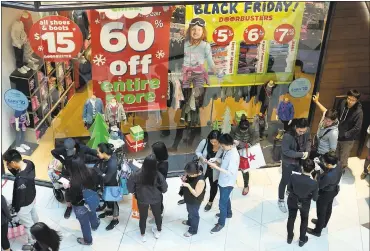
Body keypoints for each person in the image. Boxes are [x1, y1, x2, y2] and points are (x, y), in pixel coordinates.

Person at [51, 138, 99, 219]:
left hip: (80, 171)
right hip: (68, 171)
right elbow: (53, 152)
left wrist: (104, 156)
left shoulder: (83, 148)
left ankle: (85, 202)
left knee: (84, 187)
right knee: (68, 190)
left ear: (75, 147)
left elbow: (93, 152)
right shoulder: (63, 149)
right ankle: (69, 207)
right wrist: (62, 161)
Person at [127, 154, 168, 242]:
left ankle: (143, 234)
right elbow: (165, 189)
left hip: (142, 199)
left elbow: (130, 188)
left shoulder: (136, 174)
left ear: (144, 163)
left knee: (143, 217)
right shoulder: (159, 175)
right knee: (157, 215)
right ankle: (158, 231)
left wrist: (135, 192)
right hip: (156, 199)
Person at [3, 149, 38, 249]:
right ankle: (38, 228)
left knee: (28, 225)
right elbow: (20, 174)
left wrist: (15, 208)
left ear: (13, 162)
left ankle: (33, 243)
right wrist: (11, 168)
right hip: (32, 196)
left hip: (24, 205)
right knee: (33, 215)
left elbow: (19, 198)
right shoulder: (29, 163)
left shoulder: (20, 180)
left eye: (8, 163)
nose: (7, 165)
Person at [207, 133, 240, 233]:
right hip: (223, 180)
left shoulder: (233, 155)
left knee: (222, 203)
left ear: (228, 144)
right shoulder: (228, 150)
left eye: (222, 145)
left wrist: (216, 167)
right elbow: (224, 161)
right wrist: (216, 159)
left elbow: (230, 172)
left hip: (227, 182)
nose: (221, 147)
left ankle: (221, 223)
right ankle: (228, 213)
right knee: (226, 198)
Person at [278, 118, 311, 213]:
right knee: (285, 180)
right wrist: (301, 154)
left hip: (299, 162)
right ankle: (280, 199)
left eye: (304, 131)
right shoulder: (287, 136)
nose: (302, 133)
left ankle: (289, 191)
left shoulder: (306, 131)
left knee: (296, 179)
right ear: (296, 127)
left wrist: (307, 151)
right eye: (300, 131)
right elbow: (286, 151)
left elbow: (308, 140)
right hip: (288, 162)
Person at [307, 152, 342, 237]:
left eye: (325, 162)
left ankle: (317, 231)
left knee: (321, 212)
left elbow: (320, 185)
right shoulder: (338, 164)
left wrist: (318, 172)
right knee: (328, 207)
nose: (324, 163)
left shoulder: (329, 176)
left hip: (325, 193)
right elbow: (328, 168)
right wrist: (320, 163)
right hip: (334, 190)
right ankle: (324, 223)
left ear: (329, 164)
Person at [286, 159, 318, 247]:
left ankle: (289, 237)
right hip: (305, 203)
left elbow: (289, 189)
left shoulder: (293, 176)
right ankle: (302, 240)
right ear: (312, 170)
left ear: (301, 168)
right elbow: (315, 198)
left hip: (292, 200)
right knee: (304, 220)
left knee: (291, 218)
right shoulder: (314, 183)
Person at [69, 157, 100, 245]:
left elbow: (73, 198)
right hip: (91, 199)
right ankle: (95, 225)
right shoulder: (92, 171)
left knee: (84, 223)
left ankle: (88, 240)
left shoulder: (74, 182)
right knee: (92, 211)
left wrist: (68, 188)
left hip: (80, 205)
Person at [194, 130, 223, 211]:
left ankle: (210, 201)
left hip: (214, 170)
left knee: (213, 186)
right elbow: (197, 151)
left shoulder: (222, 146)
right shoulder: (205, 142)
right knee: (200, 183)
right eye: (211, 141)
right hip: (203, 167)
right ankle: (199, 197)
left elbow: (224, 159)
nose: (213, 143)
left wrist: (217, 161)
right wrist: (202, 158)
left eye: (215, 142)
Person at [336, 90, 363, 173]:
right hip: (337, 133)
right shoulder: (342, 102)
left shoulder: (359, 112)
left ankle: (342, 169)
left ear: (357, 100)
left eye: (353, 100)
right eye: (349, 98)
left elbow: (357, 128)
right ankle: (335, 168)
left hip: (348, 139)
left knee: (344, 155)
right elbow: (337, 114)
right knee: (335, 153)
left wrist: (345, 134)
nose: (350, 101)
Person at [94, 143, 120, 231]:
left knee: (114, 203)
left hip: (112, 186)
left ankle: (115, 220)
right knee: (107, 200)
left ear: (104, 153)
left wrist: (98, 171)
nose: (97, 154)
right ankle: (108, 212)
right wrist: (101, 173)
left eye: (98, 153)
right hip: (105, 184)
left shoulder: (112, 163)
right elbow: (97, 167)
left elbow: (107, 179)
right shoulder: (104, 158)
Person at [231, 115, 257, 195]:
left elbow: (254, 140)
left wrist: (247, 144)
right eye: (242, 129)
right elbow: (230, 138)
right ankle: (230, 183)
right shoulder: (234, 129)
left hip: (246, 150)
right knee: (232, 167)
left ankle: (246, 185)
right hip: (235, 149)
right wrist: (233, 142)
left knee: (244, 169)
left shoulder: (252, 129)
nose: (243, 131)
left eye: (245, 130)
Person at [181, 161, 206, 237]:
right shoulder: (193, 172)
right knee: (189, 210)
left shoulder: (200, 180)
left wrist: (188, 185)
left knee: (194, 214)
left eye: (189, 174)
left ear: (194, 173)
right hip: (189, 196)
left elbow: (196, 194)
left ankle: (193, 230)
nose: (188, 175)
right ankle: (189, 222)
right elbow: (187, 174)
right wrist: (185, 177)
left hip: (195, 199)